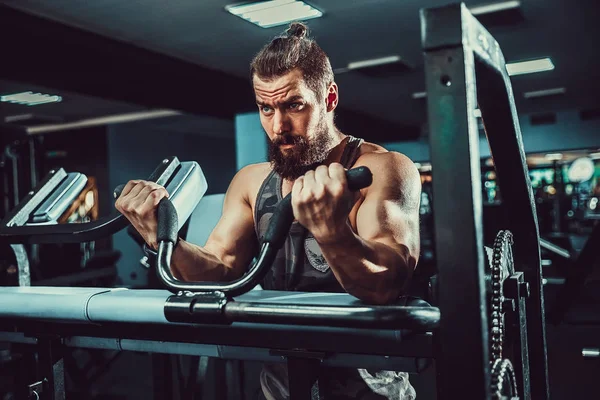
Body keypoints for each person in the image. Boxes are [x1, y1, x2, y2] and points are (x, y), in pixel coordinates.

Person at [116, 22, 421, 400]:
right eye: (266, 108)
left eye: (294, 105)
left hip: (370, 389)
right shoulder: (251, 182)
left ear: (329, 98)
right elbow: (218, 274)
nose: (279, 126)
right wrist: (160, 237)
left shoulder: (382, 169)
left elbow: (388, 282)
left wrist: (331, 232)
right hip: (282, 385)